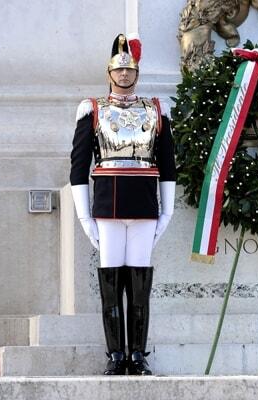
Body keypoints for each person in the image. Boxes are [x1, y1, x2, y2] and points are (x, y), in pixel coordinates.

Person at [70, 33, 176, 375]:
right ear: (109, 73)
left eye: (130, 70)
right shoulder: (93, 109)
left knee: (140, 281)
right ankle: (116, 355)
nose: (125, 75)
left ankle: (138, 355)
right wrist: (84, 215)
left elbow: (168, 164)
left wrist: (168, 209)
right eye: (120, 70)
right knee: (111, 280)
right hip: (108, 205)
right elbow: (78, 166)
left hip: (144, 204)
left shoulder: (156, 110)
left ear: (137, 73)